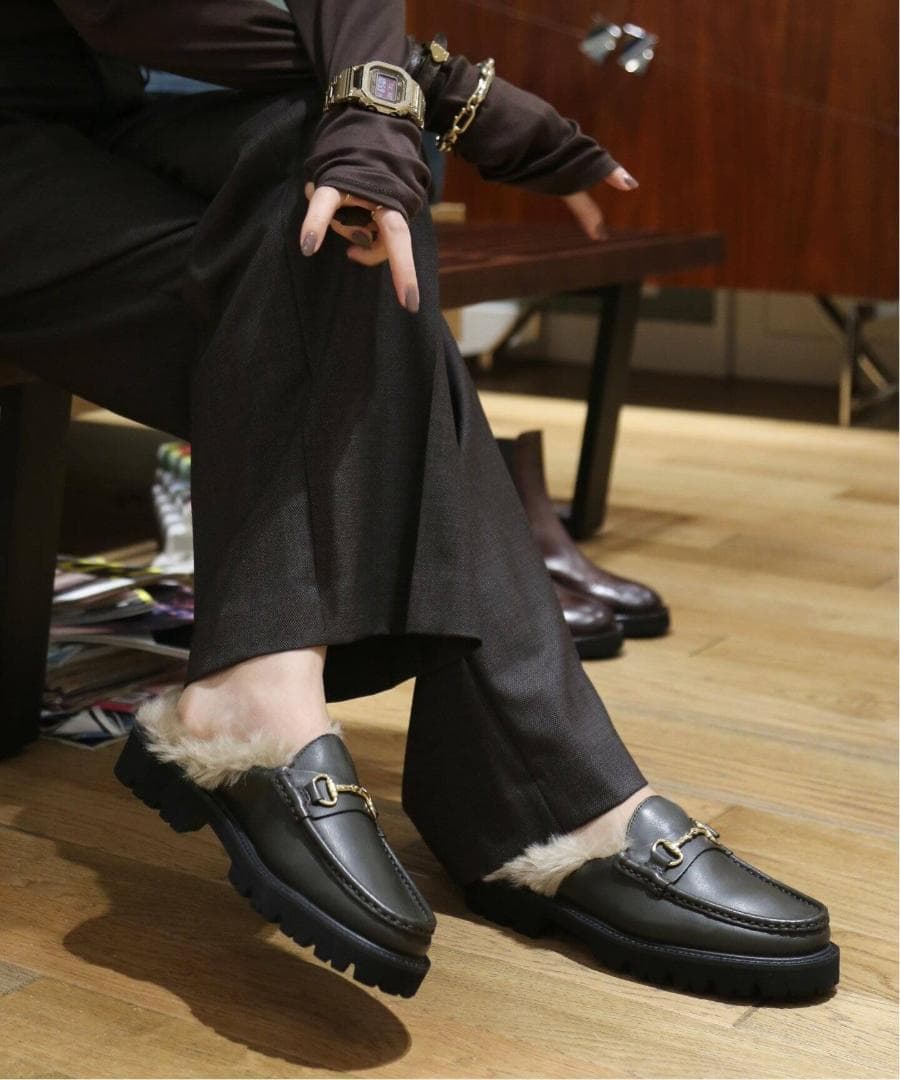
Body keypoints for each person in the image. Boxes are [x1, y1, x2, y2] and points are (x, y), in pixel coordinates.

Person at [2, 0, 838, 1002]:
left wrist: (382, 104)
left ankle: (263, 686)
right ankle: (535, 781)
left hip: (111, 124)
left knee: (335, 182)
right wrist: (436, 89)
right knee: (340, 242)